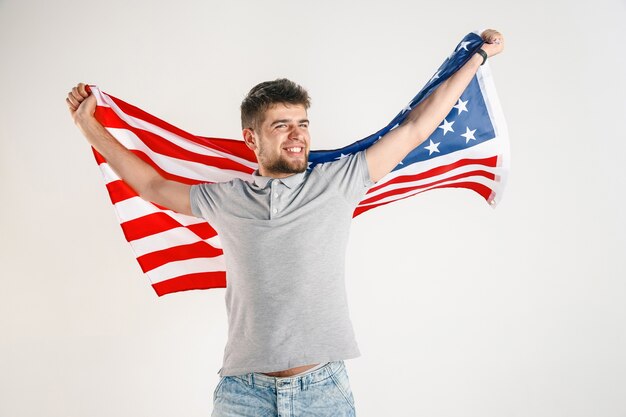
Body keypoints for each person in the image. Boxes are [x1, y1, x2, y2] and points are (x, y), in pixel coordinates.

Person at [66, 29, 504, 417]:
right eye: (281, 125)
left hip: (322, 392)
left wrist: (476, 58)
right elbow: (153, 185)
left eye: (303, 124)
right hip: (243, 394)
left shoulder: (339, 181)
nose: (297, 134)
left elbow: (415, 129)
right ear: (251, 139)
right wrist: (90, 128)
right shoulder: (226, 198)